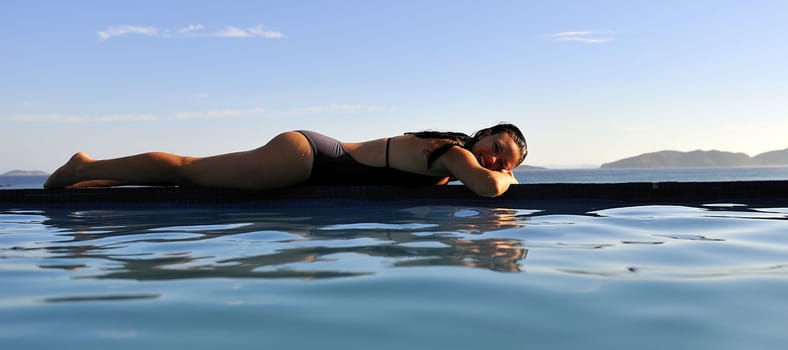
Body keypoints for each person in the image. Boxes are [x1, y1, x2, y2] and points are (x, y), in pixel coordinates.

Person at [44, 123, 527, 197]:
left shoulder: (447, 159)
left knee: (195, 180)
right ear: (482, 133)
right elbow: (488, 190)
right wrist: (508, 179)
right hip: (309, 157)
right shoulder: (458, 155)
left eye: (504, 159)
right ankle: (84, 164)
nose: (494, 158)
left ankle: (92, 182)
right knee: (190, 170)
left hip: (315, 159)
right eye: (498, 148)